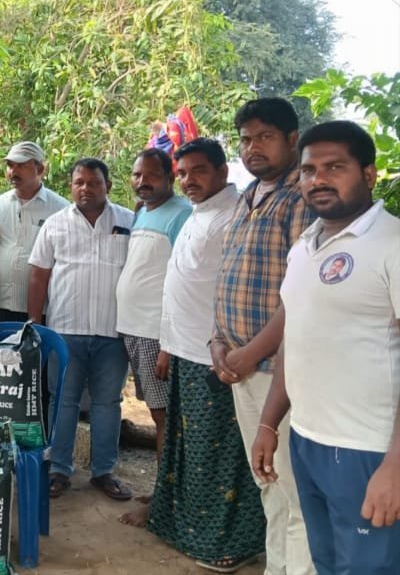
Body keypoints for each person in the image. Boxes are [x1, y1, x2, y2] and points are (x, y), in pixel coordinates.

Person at [253, 121, 400, 575]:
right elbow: (296, 339)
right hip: (308, 440)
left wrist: (395, 466)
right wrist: (269, 422)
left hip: (369, 449)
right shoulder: (304, 247)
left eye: (335, 167)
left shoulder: (392, 244)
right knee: (327, 564)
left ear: (368, 174)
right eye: (309, 170)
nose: (318, 179)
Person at [129, 139, 265, 572]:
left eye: (199, 170)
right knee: (186, 449)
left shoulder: (235, 216)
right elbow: (181, 284)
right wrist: (168, 345)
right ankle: (183, 527)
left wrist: (220, 345)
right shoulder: (198, 213)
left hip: (215, 356)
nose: (189, 180)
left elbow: (235, 290)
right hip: (184, 350)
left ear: (223, 171)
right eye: (183, 172)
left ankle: (222, 545)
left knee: (215, 456)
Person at [210, 98, 317, 575]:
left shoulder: (303, 198)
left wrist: (251, 353)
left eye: (265, 137)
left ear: (292, 139)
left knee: (295, 490)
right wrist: (218, 342)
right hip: (241, 366)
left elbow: (302, 296)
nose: (253, 147)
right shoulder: (248, 196)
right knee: (267, 480)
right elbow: (228, 275)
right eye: (246, 139)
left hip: (279, 372)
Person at [27, 158, 135, 501]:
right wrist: (35, 325)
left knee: (108, 403)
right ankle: (59, 469)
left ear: (108, 186)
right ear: (71, 186)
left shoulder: (129, 222)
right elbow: (38, 275)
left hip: (113, 332)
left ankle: (104, 472)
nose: (86, 188)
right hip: (65, 331)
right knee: (63, 402)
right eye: (79, 182)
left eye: (94, 182)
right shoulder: (55, 224)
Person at [114, 148, 192, 496]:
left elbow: (183, 282)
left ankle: (164, 498)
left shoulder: (181, 215)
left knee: (164, 418)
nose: (142, 181)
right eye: (137, 175)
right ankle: (166, 495)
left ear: (170, 178)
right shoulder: (143, 212)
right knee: (156, 412)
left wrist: (167, 343)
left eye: (152, 175)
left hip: (154, 334)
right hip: (133, 329)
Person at [0, 141, 69, 322]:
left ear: (40, 169)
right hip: (1, 303)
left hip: (44, 308)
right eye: (10, 165)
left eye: (21, 166)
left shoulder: (60, 209)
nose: (13, 171)